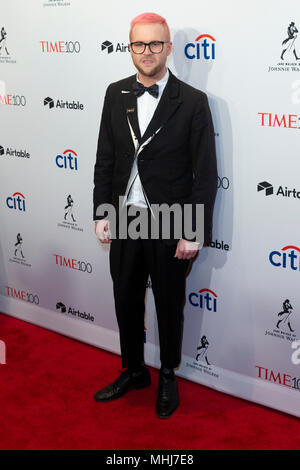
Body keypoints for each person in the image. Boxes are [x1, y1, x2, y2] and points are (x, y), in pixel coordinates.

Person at [93, 12, 217, 418]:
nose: (146, 52)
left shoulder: (193, 102)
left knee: (168, 303)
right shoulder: (115, 93)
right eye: (138, 44)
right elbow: (105, 159)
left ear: (168, 48)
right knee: (125, 299)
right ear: (130, 48)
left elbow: (205, 174)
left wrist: (193, 231)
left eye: (155, 44)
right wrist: (101, 211)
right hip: (126, 216)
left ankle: (166, 374)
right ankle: (133, 369)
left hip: (169, 221)